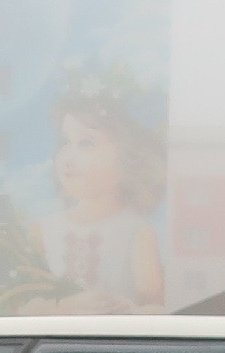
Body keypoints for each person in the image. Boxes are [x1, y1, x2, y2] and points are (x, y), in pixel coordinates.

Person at [20, 77, 167, 314]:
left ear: (126, 155)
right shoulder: (43, 231)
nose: (69, 158)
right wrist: (63, 308)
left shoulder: (136, 232)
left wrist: (126, 311)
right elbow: (18, 305)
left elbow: (157, 309)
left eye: (86, 144)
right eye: (65, 142)